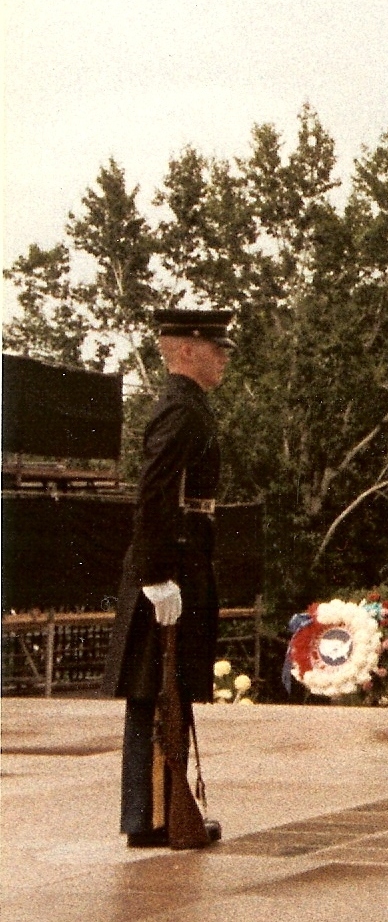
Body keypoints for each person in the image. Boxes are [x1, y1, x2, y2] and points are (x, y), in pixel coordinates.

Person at [104, 308, 235, 848]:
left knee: (168, 688)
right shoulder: (181, 411)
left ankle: (155, 813)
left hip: (182, 553)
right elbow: (154, 494)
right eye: (215, 347)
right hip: (172, 557)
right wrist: (158, 576)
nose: (223, 356)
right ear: (185, 351)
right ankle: (152, 818)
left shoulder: (190, 407)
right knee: (156, 688)